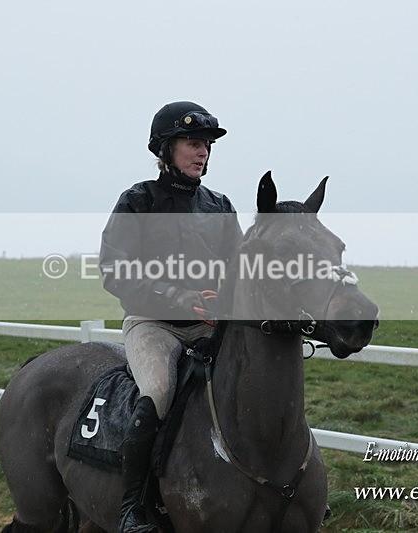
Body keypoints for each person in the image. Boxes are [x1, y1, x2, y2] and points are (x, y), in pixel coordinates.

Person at [99, 101, 242, 532]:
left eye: (207, 145)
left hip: (209, 326)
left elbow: (239, 270)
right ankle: (132, 507)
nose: (203, 152)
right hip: (153, 324)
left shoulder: (220, 206)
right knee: (159, 391)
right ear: (166, 149)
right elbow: (114, 270)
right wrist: (177, 296)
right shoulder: (138, 200)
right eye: (193, 143)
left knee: (255, 381)